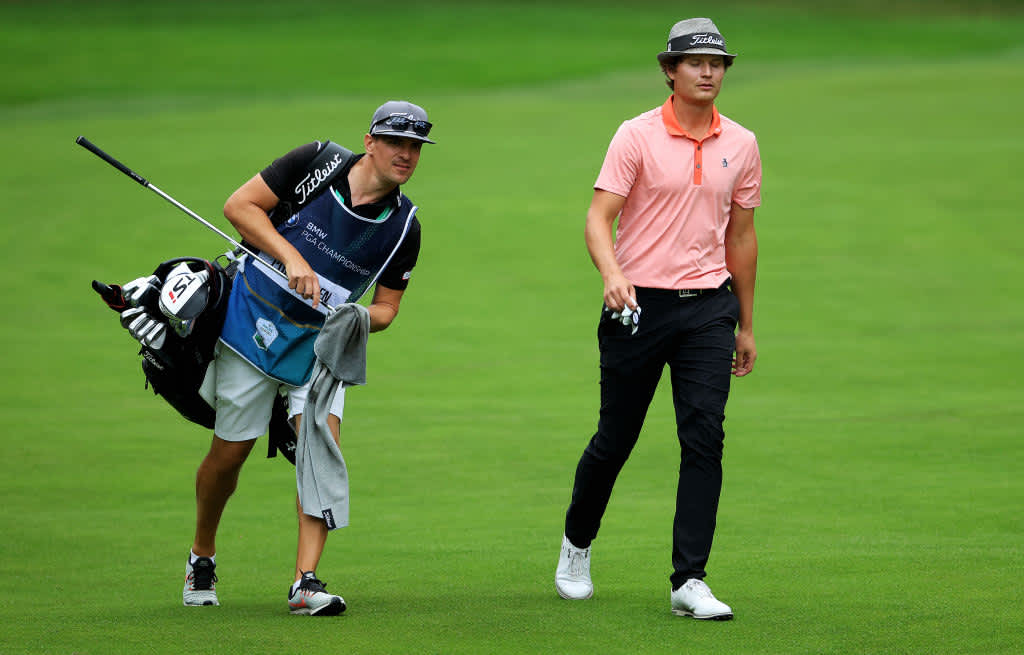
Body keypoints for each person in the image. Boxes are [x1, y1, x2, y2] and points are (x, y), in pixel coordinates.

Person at [182, 100, 434, 615]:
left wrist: (359, 318)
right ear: (370, 141)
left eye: (415, 147)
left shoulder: (405, 225)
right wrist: (292, 257)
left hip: (322, 347)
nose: (405, 154)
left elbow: (387, 308)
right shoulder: (317, 162)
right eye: (395, 142)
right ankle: (201, 553)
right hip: (253, 324)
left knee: (321, 453)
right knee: (229, 456)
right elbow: (240, 206)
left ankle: (305, 583)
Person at [554, 18, 761, 620]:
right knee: (615, 438)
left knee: (705, 438)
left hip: (709, 308)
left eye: (717, 63)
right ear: (670, 71)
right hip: (637, 305)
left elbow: (741, 237)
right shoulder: (636, 135)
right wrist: (612, 274)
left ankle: (689, 579)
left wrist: (746, 324)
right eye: (695, 62)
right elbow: (599, 218)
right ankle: (576, 546)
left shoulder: (742, 142)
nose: (707, 72)